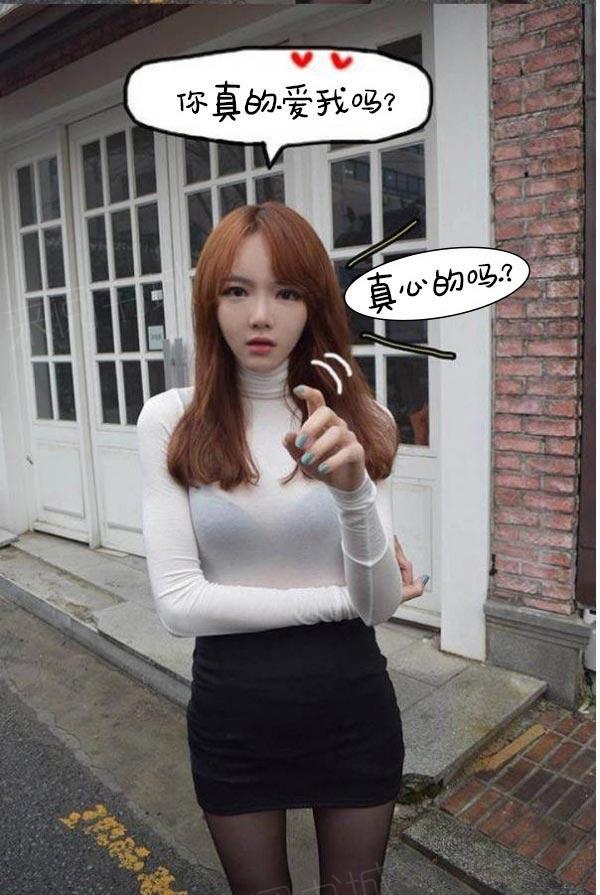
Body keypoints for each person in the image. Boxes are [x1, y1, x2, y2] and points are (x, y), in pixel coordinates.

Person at [136, 202, 426, 895]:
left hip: (352, 713)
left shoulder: (364, 418)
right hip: (234, 720)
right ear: (211, 302)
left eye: (286, 292)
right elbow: (179, 604)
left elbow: (379, 605)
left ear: (314, 303)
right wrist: (342, 599)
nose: (260, 316)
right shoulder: (171, 419)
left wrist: (353, 490)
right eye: (237, 291)